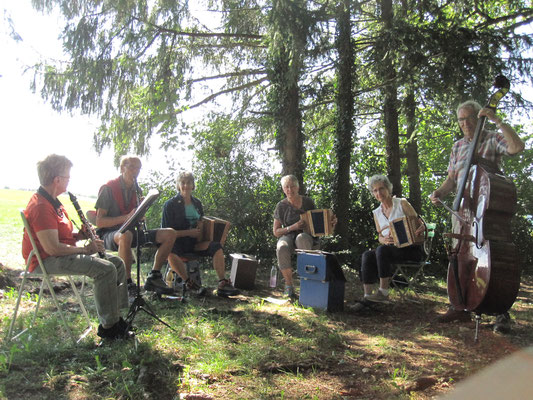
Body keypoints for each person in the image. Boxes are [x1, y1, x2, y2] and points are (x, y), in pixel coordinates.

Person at [429, 100, 525, 332]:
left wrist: (497, 120)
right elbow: (453, 179)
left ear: (478, 117)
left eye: (469, 118)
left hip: (485, 211)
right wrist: (440, 192)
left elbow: (517, 147)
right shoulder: (458, 146)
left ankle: (500, 310)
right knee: (459, 256)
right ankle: (459, 305)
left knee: (494, 259)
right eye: (461, 120)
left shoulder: (492, 138)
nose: (465, 123)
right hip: (462, 210)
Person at [22, 154, 134, 341]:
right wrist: (85, 249)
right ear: (57, 180)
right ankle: (109, 328)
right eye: (67, 177)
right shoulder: (41, 206)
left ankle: (116, 316)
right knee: (105, 269)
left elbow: (61, 237)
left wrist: (81, 235)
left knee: (117, 263)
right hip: (45, 260)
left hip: (57, 254)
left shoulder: (55, 202)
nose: (69, 181)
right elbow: (52, 249)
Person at [94, 155, 176, 296]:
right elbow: (99, 222)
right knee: (125, 235)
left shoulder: (137, 190)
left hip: (131, 232)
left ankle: (154, 275)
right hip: (110, 234)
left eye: (138, 168)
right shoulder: (108, 188)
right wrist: (126, 217)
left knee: (170, 233)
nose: (135, 171)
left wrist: (140, 213)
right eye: (132, 167)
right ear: (122, 168)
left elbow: (134, 220)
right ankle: (126, 283)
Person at [161, 172, 240, 297]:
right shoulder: (170, 205)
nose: (186, 186)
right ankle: (190, 283)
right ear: (178, 185)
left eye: (189, 183)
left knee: (216, 247)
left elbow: (200, 222)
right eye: (183, 183)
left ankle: (222, 284)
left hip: (195, 243)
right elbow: (165, 233)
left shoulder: (197, 203)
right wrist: (188, 232)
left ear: (193, 185)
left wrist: (203, 229)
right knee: (170, 252)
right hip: (177, 243)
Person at [360, 174, 426, 303]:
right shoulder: (376, 213)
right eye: (375, 190)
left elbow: (419, 223)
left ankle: (383, 293)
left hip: (411, 249)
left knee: (381, 250)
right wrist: (383, 240)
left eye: (381, 188)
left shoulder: (402, 203)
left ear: (388, 189)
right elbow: (380, 235)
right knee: (367, 255)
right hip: (390, 250)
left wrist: (422, 227)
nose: (379, 192)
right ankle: (367, 296)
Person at [272, 175, 336, 298]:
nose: (289, 189)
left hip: (306, 235)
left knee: (301, 238)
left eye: (292, 186)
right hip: (288, 234)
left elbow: (319, 221)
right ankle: (289, 285)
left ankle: (308, 283)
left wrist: (331, 222)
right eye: (286, 187)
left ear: (298, 187)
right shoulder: (280, 206)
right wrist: (293, 227)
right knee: (281, 247)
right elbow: (276, 231)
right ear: (283, 189)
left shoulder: (308, 202)